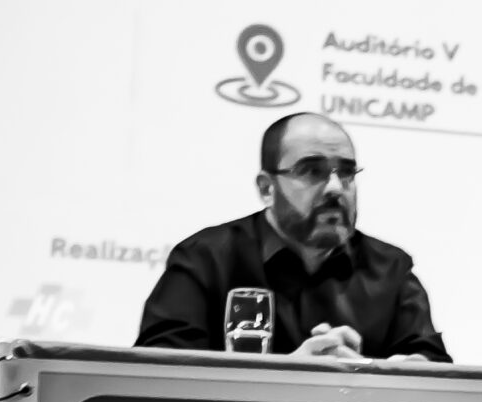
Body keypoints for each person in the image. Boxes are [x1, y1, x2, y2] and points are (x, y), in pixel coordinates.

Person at [137, 112, 448, 361]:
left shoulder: (390, 268)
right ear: (266, 188)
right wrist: (288, 377)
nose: (335, 188)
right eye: (312, 171)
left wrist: (389, 373)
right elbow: (162, 372)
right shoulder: (206, 258)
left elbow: (431, 366)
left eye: (347, 172)